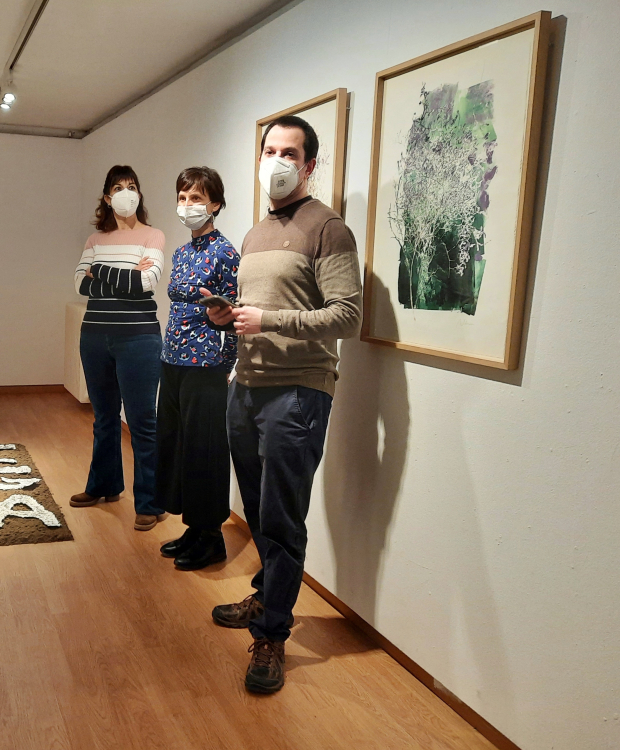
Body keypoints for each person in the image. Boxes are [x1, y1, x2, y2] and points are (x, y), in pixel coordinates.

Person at [204, 115, 363, 693]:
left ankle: (273, 632)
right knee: (254, 508)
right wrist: (230, 315)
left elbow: (347, 316)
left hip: (298, 393)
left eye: (289, 152)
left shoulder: (329, 230)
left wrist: (269, 319)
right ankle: (267, 596)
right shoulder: (253, 233)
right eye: (270, 150)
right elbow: (257, 309)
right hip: (245, 387)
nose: (277, 161)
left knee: (281, 515)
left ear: (310, 164)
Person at [71, 165, 168, 531]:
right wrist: (122, 276)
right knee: (105, 418)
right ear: (108, 197)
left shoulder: (153, 236)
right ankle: (103, 486)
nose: (126, 192)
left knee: (143, 422)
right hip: (94, 336)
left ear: (139, 194)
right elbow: (81, 284)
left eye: (132, 186)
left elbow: (147, 283)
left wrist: (103, 273)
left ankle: (150, 502)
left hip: (139, 339)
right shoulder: (95, 240)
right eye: (118, 187)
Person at [155, 167, 238, 570]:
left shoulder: (226, 253)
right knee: (178, 445)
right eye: (183, 197)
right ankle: (193, 526)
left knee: (206, 450)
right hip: (172, 360)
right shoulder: (182, 251)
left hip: (206, 364)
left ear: (215, 204)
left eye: (197, 198)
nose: (188, 205)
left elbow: (235, 313)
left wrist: (227, 364)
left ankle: (212, 536)